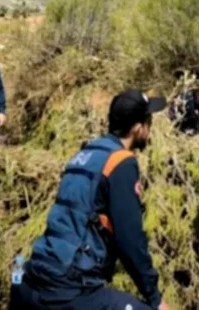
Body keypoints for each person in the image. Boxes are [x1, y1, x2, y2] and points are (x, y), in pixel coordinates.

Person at [12, 90, 171, 310]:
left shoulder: (87, 153)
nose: (150, 128)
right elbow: (130, 240)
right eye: (148, 121)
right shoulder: (121, 163)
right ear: (137, 127)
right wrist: (155, 299)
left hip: (32, 275)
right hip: (68, 288)